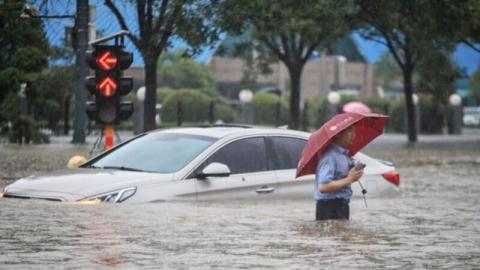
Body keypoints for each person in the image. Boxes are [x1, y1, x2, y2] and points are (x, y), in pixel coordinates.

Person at [314, 125, 364, 220]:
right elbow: (323, 187)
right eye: (349, 131)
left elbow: (342, 177)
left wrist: (353, 173)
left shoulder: (344, 155)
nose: (354, 135)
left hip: (342, 205)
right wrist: (349, 179)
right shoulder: (330, 157)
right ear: (337, 134)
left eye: (354, 131)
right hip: (329, 207)